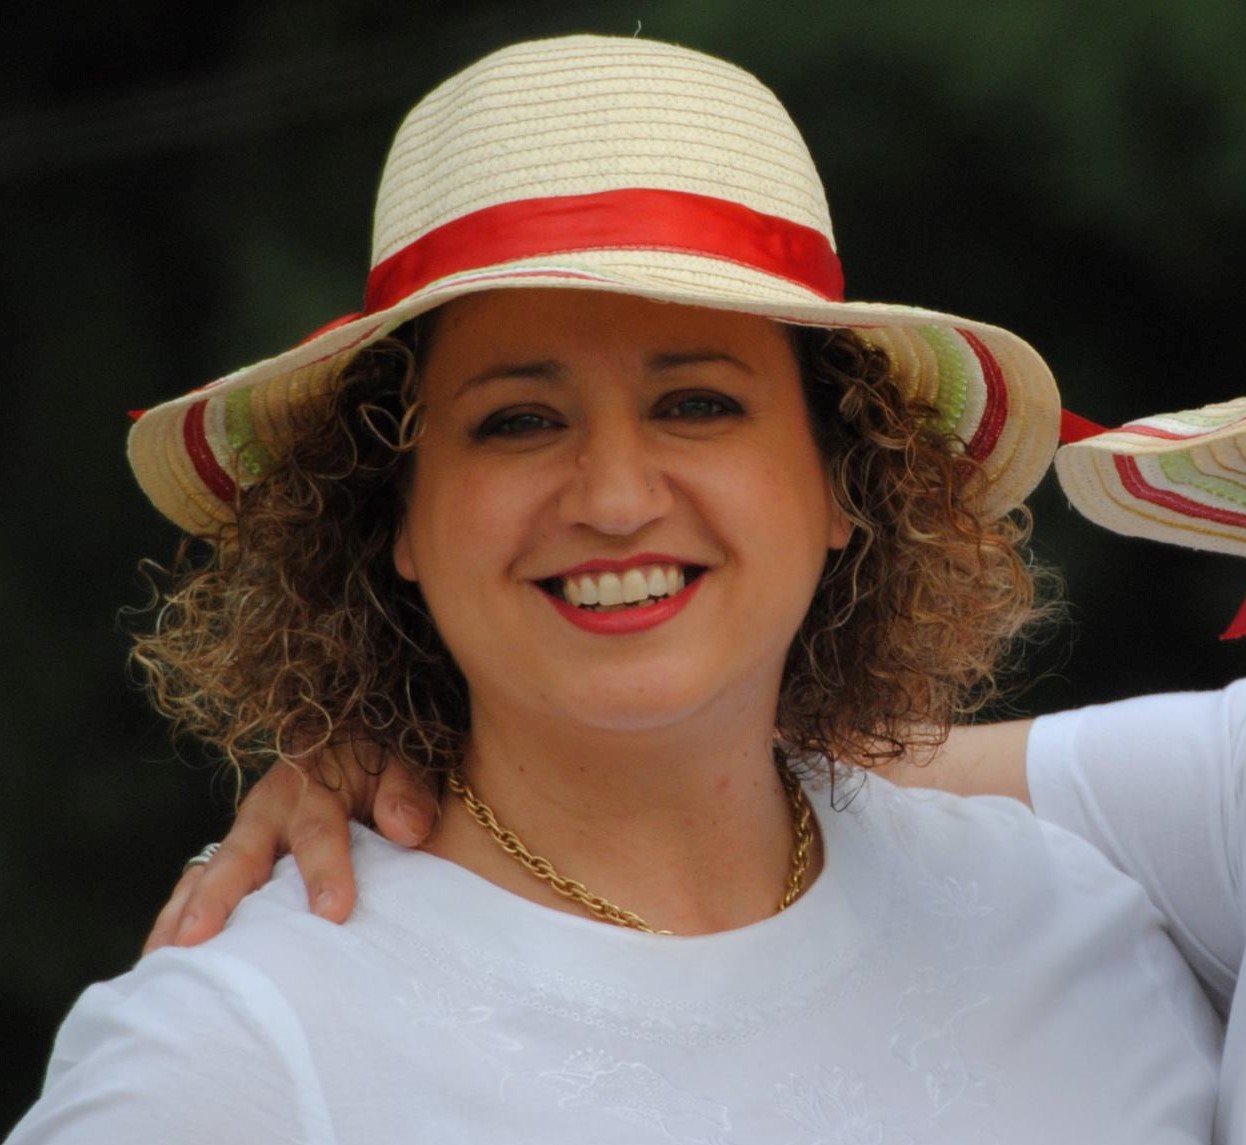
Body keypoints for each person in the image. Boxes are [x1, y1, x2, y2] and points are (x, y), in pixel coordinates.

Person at [10, 35, 1223, 1143]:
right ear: (394, 515)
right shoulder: (236, 1055)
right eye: (518, 420)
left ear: (844, 478)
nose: (614, 495)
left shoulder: (1083, 933)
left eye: (696, 402)